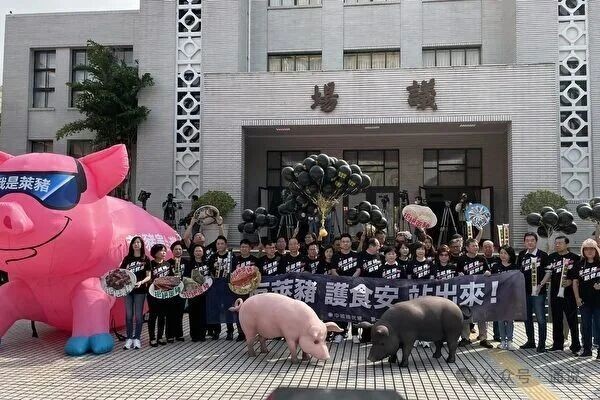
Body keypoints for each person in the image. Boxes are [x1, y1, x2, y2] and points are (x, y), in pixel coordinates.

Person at [517, 232, 550, 353]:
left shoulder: (543, 255)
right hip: (524, 291)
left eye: (532, 240)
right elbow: (518, 272)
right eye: (527, 240)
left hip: (538, 292)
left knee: (541, 318)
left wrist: (541, 285)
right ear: (524, 242)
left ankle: (542, 344)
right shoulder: (522, 255)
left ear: (536, 241)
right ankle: (530, 341)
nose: (530, 242)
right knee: (527, 317)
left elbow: (548, 272)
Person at [457, 238, 492, 348]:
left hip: (479, 290)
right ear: (467, 248)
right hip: (466, 290)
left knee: (482, 315)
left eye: (477, 245)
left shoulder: (482, 258)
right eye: (473, 245)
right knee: (465, 313)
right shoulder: (461, 259)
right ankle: (465, 337)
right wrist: (460, 275)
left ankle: (483, 337)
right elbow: (457, 273)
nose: (476, 247)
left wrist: (488, 273)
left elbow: (488, 271)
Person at [547, 236, 581, 353]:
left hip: (569, 294)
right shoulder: (551, 257)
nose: (557, 245)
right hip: (555, 292)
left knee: (572, 320)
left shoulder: (575, 258)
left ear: (567, 244)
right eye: (556, 243)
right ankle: (557, 344)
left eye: (560, 243)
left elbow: (579, 274)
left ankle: (576, 345)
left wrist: (571, 281)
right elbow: (548, 273)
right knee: (556, 319)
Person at [119, 236, 151, 350]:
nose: (136, 244)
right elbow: (121, 273)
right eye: (134, 242)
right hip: (128, 290)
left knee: (138, 316)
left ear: (141, 245)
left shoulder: (145, 259)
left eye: (138, 242)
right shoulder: (127, 259)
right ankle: (129, 339)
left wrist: (141, 282)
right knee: (128, 315)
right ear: (131, 245)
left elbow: (149, 276)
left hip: (140, 291)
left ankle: (137, 338)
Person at [571, 238, 600, 359]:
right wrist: (577, 298)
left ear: (596, 250)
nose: (589, 251)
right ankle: (587, 350)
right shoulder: (579, 264)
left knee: (599, 326)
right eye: (586, 249)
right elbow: (575, 283)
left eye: (592, 248)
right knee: (585, 326)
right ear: (583, 251)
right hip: (584, 301)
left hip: (598, 301)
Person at [330, 233, 361, 343]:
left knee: (354, 309)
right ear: (340, 244)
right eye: (343, 242)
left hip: (354, 285)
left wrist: (351, 280)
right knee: (340, 309)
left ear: (351, 243)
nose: (345, 243)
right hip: (340, 286)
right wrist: (342, 280)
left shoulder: (356, 255)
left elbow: (358, 270)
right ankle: (339, 333)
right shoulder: (336, 256)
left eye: (347, 241)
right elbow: (333, 270)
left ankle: (355, 334)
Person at [207, 236, 237, 341]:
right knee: (216, 308)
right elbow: (210, 271)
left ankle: (230, 331)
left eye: (222, 243)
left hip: (228, 286)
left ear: (226, 245)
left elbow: (235, 270)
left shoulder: (231, 256)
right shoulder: (213, 257)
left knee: (228, 308)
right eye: (218, 244)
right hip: (216, 286)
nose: (220, 246)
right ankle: (216, 331)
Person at [407, 241, 435, 348]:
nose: (420, 251)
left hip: (427, 293)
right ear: (415, 251)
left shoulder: (430, 263)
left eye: (422, 249)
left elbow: (432, 278)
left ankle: (425, 338)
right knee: (415, 315)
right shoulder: (411, 263)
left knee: (426, 316)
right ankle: (415, 337)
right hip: (414, 293)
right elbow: (409, 278)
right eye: (418, 249)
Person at [490, 245, 519, 351]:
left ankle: (510, 341)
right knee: (500, 320)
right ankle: (502, 341)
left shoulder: (515, 267)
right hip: (499, 297)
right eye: (501, 253)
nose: (503, 255)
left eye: (505, 253)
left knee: (510, 320)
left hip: (511, 297)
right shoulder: (495, 267)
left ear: (510, 255)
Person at [184, 245, 213, 342]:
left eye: (200, 251)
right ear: (193, 252)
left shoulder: (207, 263)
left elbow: (211, 275)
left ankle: (202, 334)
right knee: (193, 313)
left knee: (203, 313)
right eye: (196, 251)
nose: (198, 252)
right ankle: (194, 335)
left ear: (203, 252)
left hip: (206, 291)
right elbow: (186, 277)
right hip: (194, 292)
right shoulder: (189, 264)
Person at [148, 244, 172, 347]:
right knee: (153, 316)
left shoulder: (167, 264)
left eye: (164, 251)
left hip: (165, 294)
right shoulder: (150, 264)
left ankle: (160, 337)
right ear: (155, 253)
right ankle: (152, 338)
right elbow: (148, 278)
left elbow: (171, 278)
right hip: (153, 293)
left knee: (162, 316)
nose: (163, 253)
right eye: (161, 251)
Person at [166, 241, 189, 343]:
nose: (178, 251)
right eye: (176, 249)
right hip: (171, 291)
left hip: (182, 291)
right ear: (172, 251)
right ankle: (169, 335)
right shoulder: (168, 263)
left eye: (180, 249)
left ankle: (179, 334)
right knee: (170, 313)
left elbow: (188, 276)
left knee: (179, 313)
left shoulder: (186, 262)